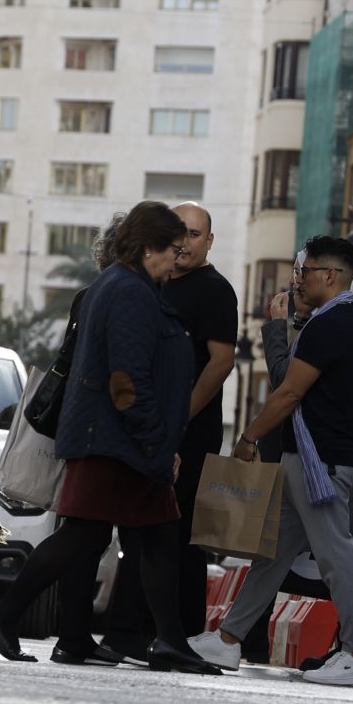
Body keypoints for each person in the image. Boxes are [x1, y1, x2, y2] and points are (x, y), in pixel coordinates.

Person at [0, 201, 220, 674]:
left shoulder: (126, 284)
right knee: (98, 536)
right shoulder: (129, 291)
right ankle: (4, 614)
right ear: (148, 247)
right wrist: (157, 442)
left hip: (114, 441)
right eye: (171, 248)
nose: (177, 257)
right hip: (117, 444)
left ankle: (167, 639)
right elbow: (126, 381)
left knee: (147, 538)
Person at [187, 235, 353, 686]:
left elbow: (289, 391)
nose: (297, 281)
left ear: (330, 275)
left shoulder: (334, 325)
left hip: (321, 467)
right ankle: (229, 640)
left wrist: (249, 436)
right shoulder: (331, 320)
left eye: (304, 272)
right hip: (307, 460)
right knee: (271, 555)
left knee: (335, 558)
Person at [98, 202, 236, 660]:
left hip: (188, 433)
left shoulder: (215, 290)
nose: (187, 243)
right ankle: (136, 632)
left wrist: (179, 421)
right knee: (141, 532)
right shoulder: (151, 282)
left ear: (210, 241)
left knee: (178, 535)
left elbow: (220, 363)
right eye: (182, 234)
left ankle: (177, 634)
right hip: (147, 426)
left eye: (197, 235)